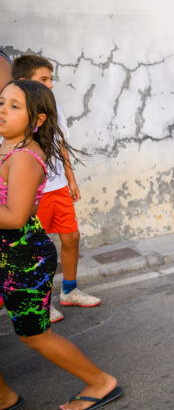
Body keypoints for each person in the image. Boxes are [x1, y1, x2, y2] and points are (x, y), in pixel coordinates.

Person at [0, 80, 123, 410]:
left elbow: (14, 217)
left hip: (24, 258)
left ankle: (100, 383)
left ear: (37, 120)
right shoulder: (6, 148)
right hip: (5, 255)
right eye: (1, 102)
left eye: (14, 106)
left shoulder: (25, 158)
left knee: (35, 335)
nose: (3, 110)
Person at [11, 55, 100, 324]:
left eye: (50, 79)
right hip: (33, 191)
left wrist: (71, 179)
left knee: (71, 237)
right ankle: (41, 301)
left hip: (58, 186)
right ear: (23, 82)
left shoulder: (53, 106)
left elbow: (61, 145)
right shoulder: (12, 111)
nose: (49, 85)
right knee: (38, 249)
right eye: (43, 80)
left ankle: (70, 290)